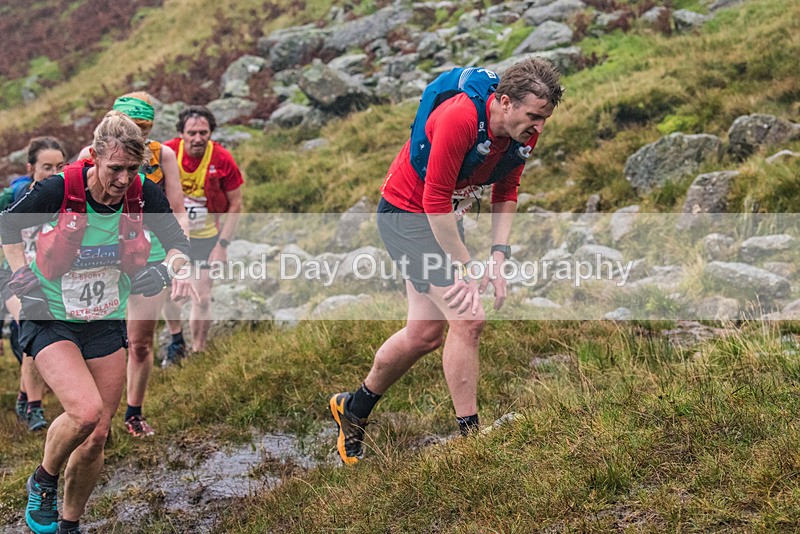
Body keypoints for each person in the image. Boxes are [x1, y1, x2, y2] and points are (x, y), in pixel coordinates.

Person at [328, 58, 563, 464]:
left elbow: (507, 189)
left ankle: (353, 409)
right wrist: (467, 268)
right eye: (533, 117)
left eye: (545, 119)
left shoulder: (523, 132)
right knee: (469, 318)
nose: (539, 127)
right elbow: (433, 198)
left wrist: (498, 255)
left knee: (423, 334)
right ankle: (471, 440)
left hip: (443, 220)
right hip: (407, 216)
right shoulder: (459, 119)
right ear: (504, 102)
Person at [1, 111, 191, 534]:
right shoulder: (62, 188)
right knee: (85, 412)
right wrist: (20, 275)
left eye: (132, 169)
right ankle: (43, 479)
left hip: (104, 318)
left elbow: (179, 246)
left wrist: (165, 271)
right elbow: (9, 225)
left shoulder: (142, 193)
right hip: (50, 315)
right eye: (115, 169)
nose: (124, 178)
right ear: (96, 158)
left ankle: (69, 524)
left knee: (97, 437)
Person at [78, 93, 191, 438]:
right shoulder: (90, 156)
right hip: (103, 258)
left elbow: (177, 210)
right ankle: (99, 417)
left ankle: (134, 413)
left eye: (144, 129)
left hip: (151, 254)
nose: (138, 135)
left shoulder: (163, 155)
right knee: (98, 340)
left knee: (140, 342)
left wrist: (181, 264)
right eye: (131, 127)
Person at [162, 105, 243, 362]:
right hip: (172, 235)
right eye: (192, 133)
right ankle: (177, 341)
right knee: (168, 291)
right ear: (181, 134)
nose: (197, 138)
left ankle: (199, 351)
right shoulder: (167, 153)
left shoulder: (221, 158)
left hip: (206, 235)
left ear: (211, 133)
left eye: (203, 132)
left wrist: (223, 245)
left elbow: (236, 204)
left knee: (203, 295)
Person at [0, 136, 66, 432]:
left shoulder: (68, 195)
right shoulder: (12, 197)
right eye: (46, 167)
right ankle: (35, 409)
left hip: (50, 276)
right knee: (32, 325)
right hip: (12, 276)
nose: (54, 173)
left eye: (60, 166)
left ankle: (25, 395)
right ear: (31, 168)